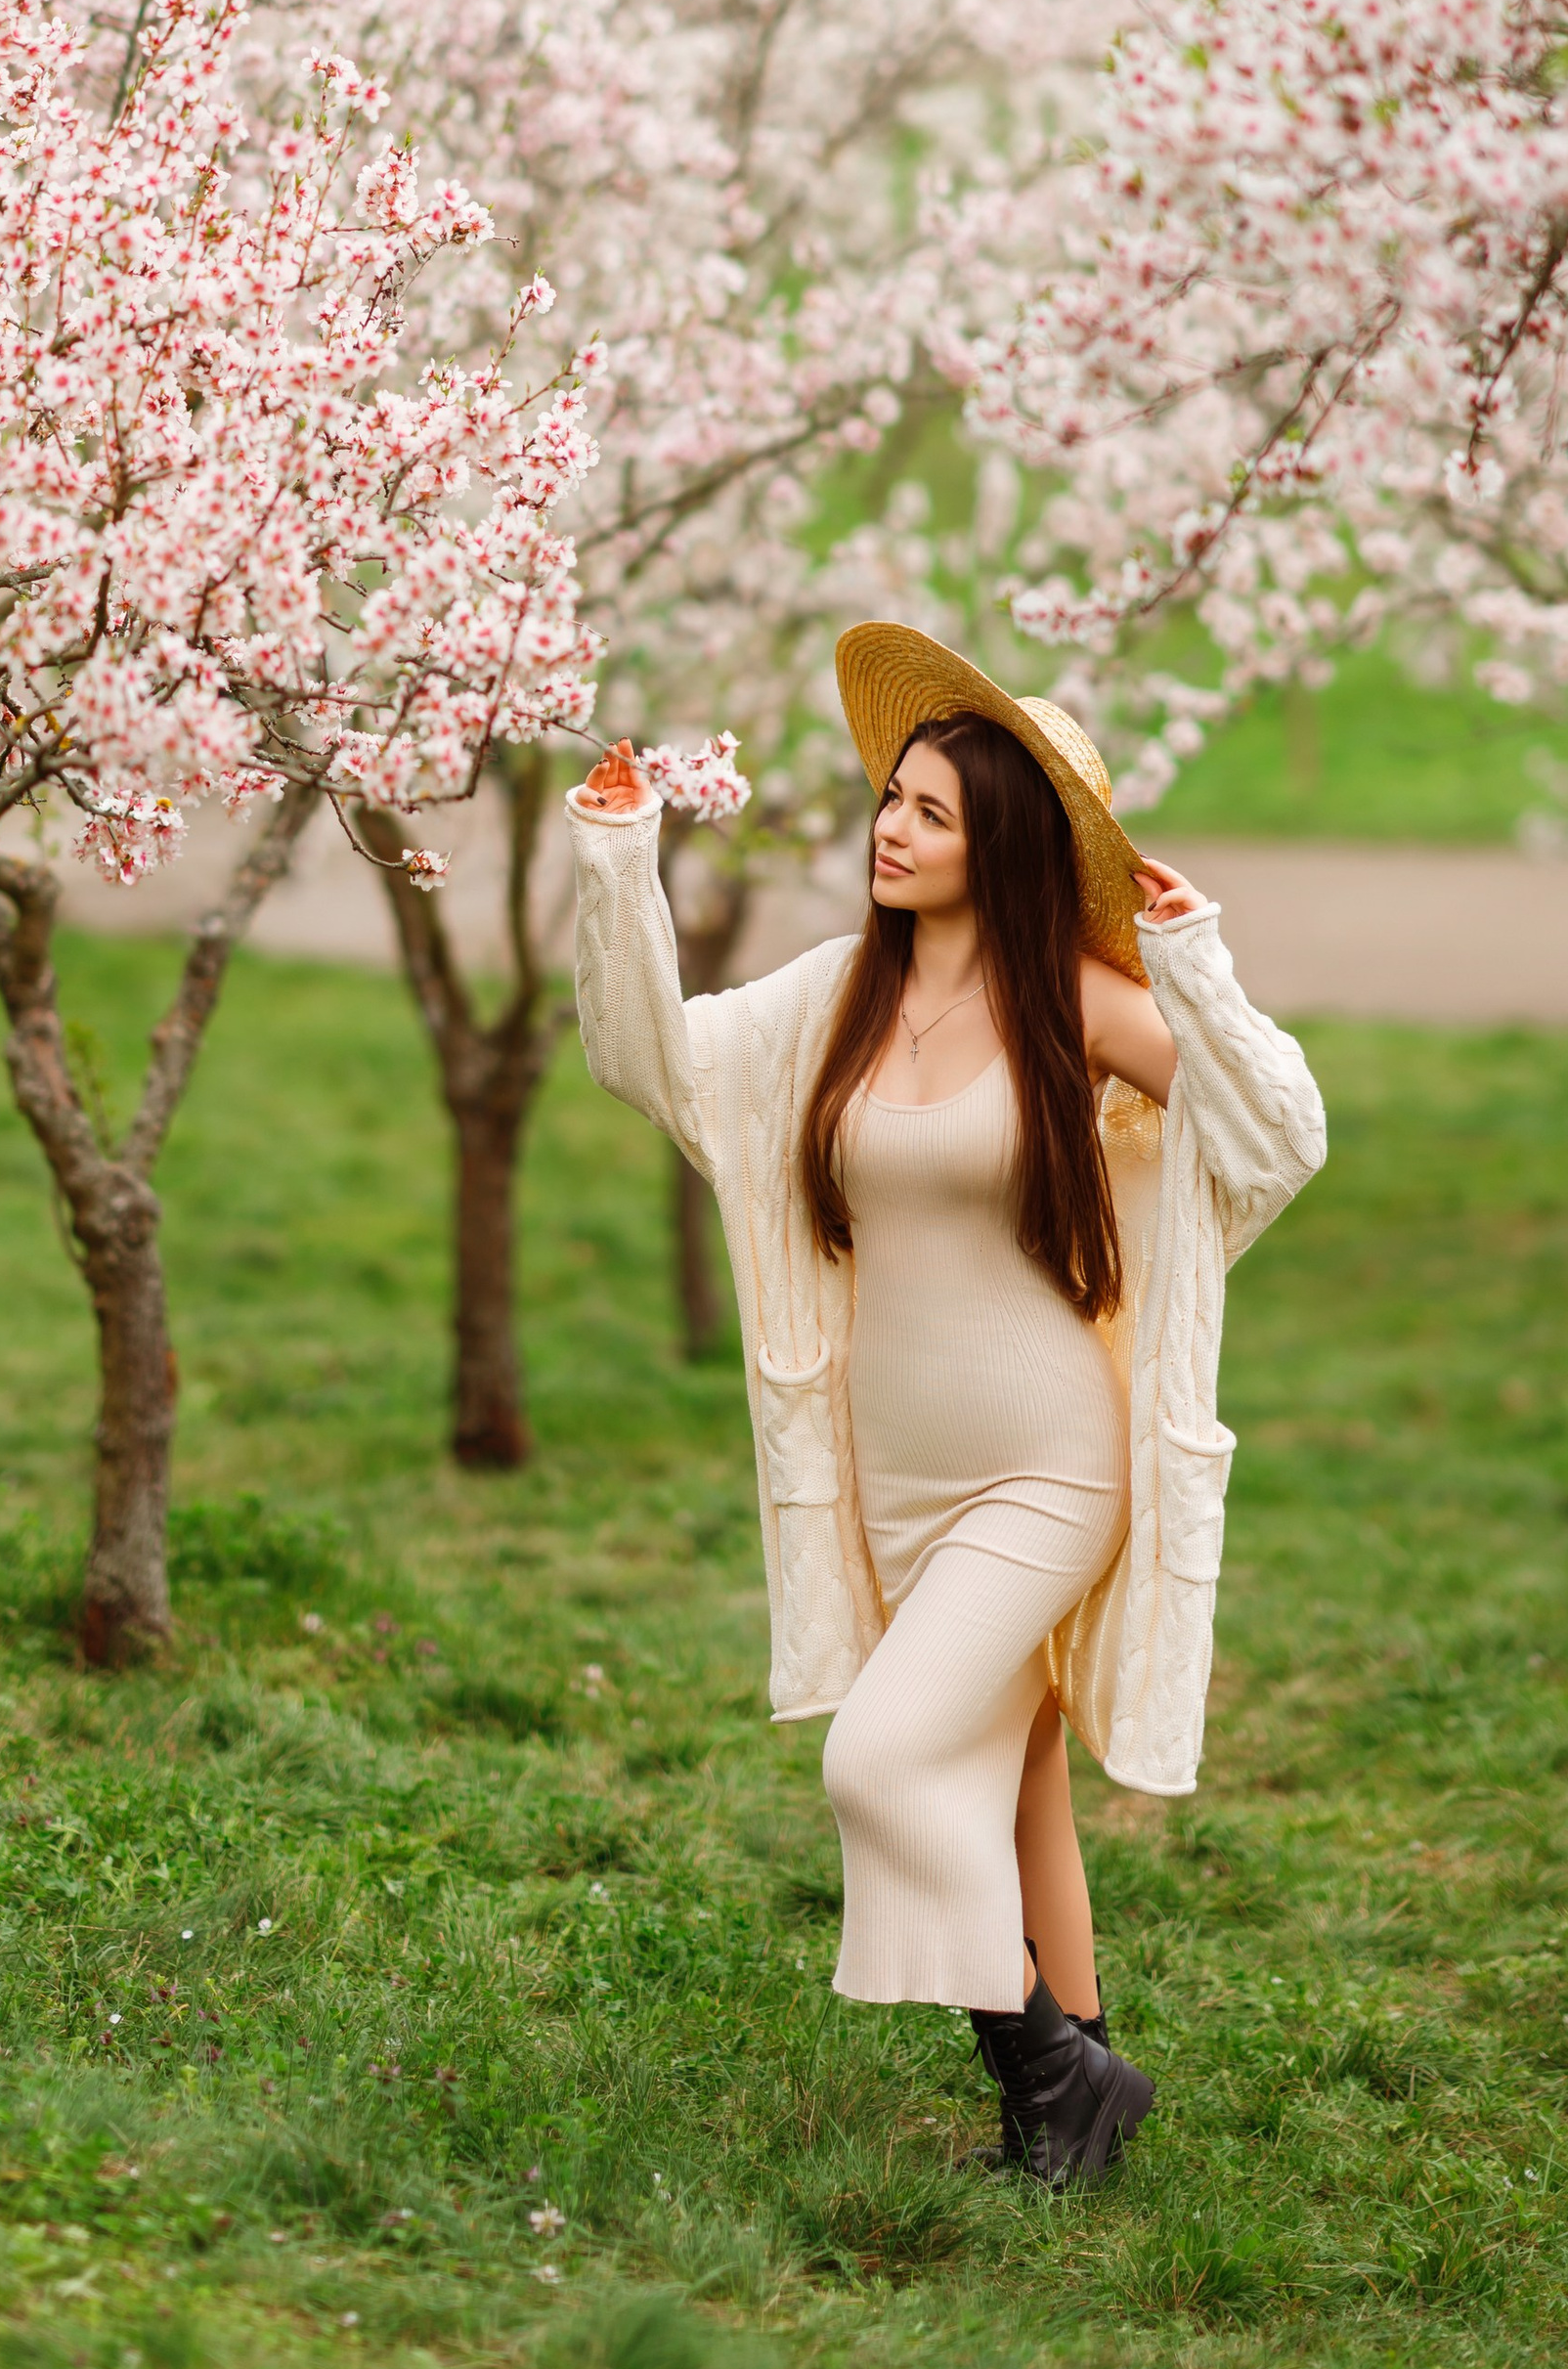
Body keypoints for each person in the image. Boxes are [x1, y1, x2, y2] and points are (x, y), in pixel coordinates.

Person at [567, 624, 1327, 2188]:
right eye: (891, 798)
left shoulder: (1077, 1002)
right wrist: (615, 862)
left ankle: (1052, 2069)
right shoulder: (836, 994)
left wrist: (1196, 968)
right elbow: (653, 1062)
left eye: (933, 813)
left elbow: (1279, 1133)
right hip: (895, 1477)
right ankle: (1071, 2096)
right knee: (1012, 1770)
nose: (889, 828)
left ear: (1012, 856)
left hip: (1050, 1466)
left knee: (884, 1760)